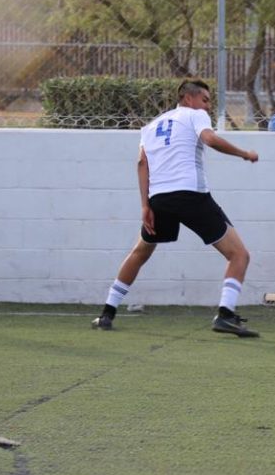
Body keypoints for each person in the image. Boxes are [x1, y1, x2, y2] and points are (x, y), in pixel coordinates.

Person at [91, 79, 261, 337]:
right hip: (191, 195)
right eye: (205, 99)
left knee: (140, 252)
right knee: (239, 255)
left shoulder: (150, 127)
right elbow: (210, 139)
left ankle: (107, 313)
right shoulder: (195, 115)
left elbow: (141, 164)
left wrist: (145, 205)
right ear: (188, 98)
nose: (207, 105)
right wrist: (244, 154)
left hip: (159, 200)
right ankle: (226, 315)